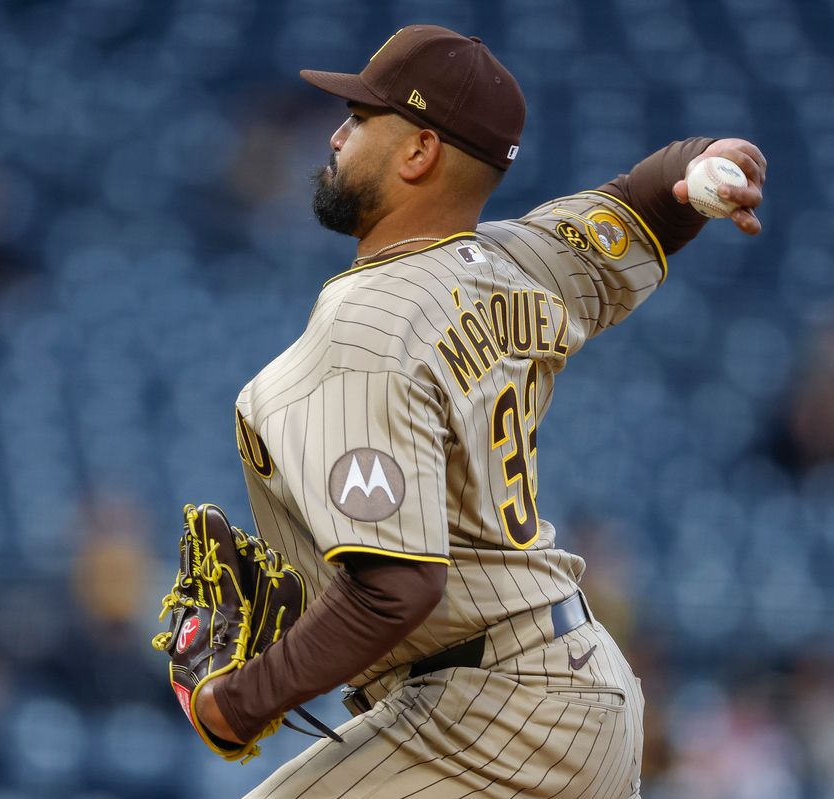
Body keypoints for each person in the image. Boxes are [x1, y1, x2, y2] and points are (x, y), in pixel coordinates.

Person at [197, 24, 765, 798]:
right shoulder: (519, 263)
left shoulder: (367, 324)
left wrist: (235, 703)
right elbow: (645, 204)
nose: (336, 133)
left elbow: (395, 588)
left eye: (361, 119)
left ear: (419, 152)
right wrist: (705, 163)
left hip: (494, 714)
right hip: (573, 685)